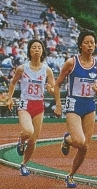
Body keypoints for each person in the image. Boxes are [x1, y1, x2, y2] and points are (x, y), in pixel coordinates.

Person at [53, 29, 97, 188]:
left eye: (92, 43)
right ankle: (67, 139)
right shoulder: (71, 63)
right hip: (74, 104)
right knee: (78, 140)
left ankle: (70, 175)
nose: (90, 46)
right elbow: (57, 84)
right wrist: (59, 104)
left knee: (84, 147)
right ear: (81, 45)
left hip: (89, 105)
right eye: (87, 42)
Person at [7, 38, 60, 176]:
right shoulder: (22, 68)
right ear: (29, 51)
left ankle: (24, 164)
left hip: (39, 105)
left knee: (33, 140)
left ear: (42, 51)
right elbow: (13, 83)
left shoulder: (47, 70)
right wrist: (9, 98)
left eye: (39, 47)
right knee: (28, 131)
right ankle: (20, 139)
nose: (37, 49)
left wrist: (50, 89)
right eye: (34, 47)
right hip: (25, 104)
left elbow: (53, 88)